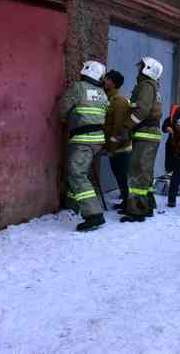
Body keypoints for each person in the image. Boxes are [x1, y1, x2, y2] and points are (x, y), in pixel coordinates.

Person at [111, 57, 163, 223]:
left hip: (145, 133)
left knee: (137, 171)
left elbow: (141, 110)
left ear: (147, 69)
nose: (138, 68)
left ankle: (137, 210)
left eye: (140, 66)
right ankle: (147, 205)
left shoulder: (147, 86)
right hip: (147, 133)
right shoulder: (151, 86)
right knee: (144, 171)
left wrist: (126, 127)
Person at [59, 61, 110, 232]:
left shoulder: (78, 87)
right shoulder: (102, 92)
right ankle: (73, 205)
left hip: (82, 138)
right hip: (97, 139)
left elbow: (63, 107)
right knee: (83, 171)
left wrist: (65, 119)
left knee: (77, 173)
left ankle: (93, 215)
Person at [103, 70, 131, 210]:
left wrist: (112, 148)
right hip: (114, 146)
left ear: (113, 83)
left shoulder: (119, 101)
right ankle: (126, 201)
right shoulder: (109, 99)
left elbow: (118, 126)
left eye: (107, 79)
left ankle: (128, 203)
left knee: (122, 176)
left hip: (120, 148)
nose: (104, 81)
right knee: (119, 175)